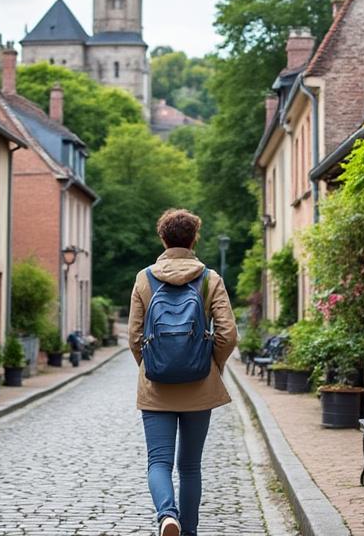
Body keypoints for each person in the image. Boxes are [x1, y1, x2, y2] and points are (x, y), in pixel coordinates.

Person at [129, 208, 238, 536]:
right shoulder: (209, 278)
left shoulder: (144, 278)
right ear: (194, 239)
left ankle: (167, 516)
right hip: (199, 385)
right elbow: (228, 334)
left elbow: (134, 337)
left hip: (156, 388)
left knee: (159, 463)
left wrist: (151, 366)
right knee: (190, 467)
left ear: (163, 238)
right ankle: (187, 531)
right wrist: (212, 365)